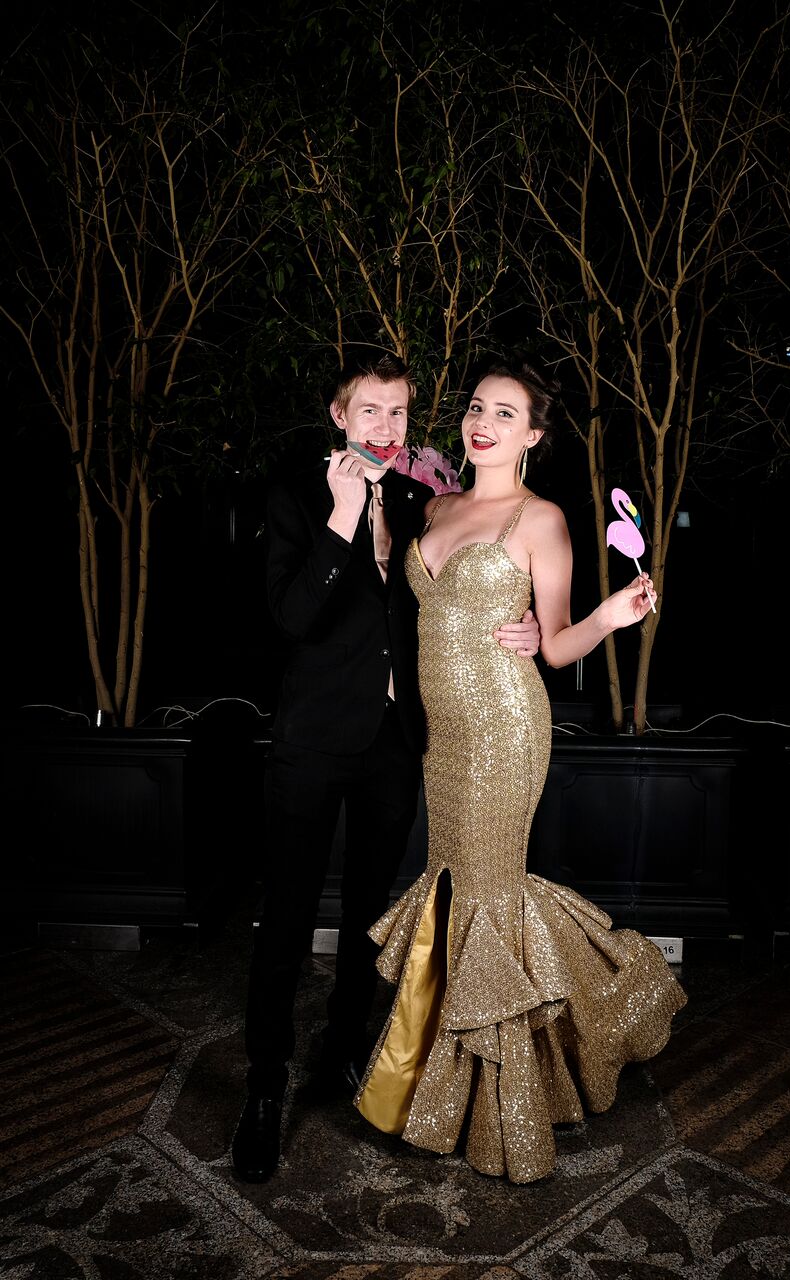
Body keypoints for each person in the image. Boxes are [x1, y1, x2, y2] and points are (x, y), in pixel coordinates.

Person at [354, 357, 687, 1184]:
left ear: (533, 435)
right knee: (452, 888)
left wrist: (607, 616)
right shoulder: (437, 505)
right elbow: (402, 605)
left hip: (505, 727)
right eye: (476, 408)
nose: (483, 423)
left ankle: (498, 1108)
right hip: (440, 735)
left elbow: (557, 644)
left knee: (487, 893)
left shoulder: (539, 519)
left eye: (505, 414)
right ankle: (428, 1086)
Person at [230, 350, 541, 1183]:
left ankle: (343, 1048)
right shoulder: (294, 498)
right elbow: (292, 617)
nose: (385, 426)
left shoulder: (416, 503)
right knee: (287, 915)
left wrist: (530, 630)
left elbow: (452, 604)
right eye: (369, 410)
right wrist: (340, 519)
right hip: (311, 742)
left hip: (395, 746)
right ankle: (264, 1086)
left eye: (398, 412)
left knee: (373, 914)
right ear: (340, 415)